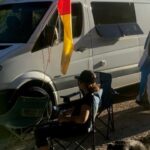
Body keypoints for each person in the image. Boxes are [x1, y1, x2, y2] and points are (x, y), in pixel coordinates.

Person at [34, 70, 103, 150]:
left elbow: (82, 119)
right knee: (42, 127)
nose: (78, 83)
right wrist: (68, 112)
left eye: (79, 81)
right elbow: (83, 108)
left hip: (76, 130)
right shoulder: (93, 93)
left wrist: (65, 119)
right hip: (78, 127)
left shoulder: (88, 98)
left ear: (83, 83)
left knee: (40, 131)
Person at [136, 32, 150, 105]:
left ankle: (140, 97)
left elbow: (145, 48)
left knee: (144, 81)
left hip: (146, 61)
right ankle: (142, 98)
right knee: (145, 81)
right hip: (147, 61)